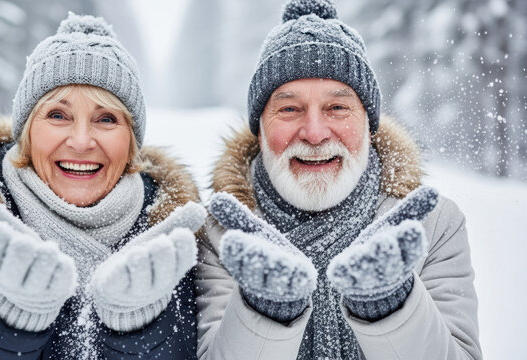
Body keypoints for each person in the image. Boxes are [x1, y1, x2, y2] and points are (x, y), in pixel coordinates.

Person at [0, 13, 204, 359]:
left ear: (131, 142)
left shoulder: (171, 242)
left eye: (106, 118)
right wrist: (8, 316)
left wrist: (136, 326)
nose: (81, 141)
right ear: (27, 131)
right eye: (58, 115)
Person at [196, 0, 482, 359]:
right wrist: (265, 312)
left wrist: (392, 307)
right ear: (259, 130)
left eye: (337, 108)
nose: (315, 133)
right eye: (289, 109)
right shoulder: (223, 235)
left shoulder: (432, 226)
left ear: (368, 124)